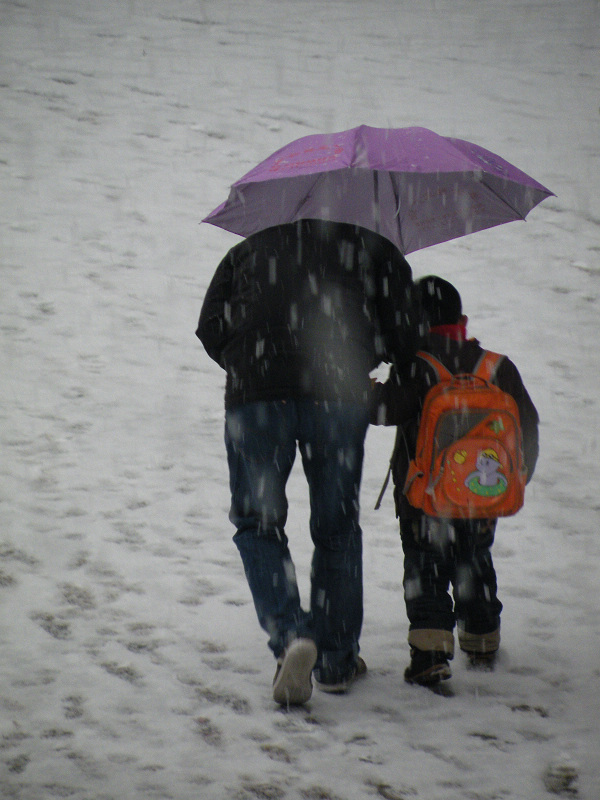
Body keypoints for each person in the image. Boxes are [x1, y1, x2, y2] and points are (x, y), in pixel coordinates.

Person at [197, 219, 423, 705]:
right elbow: (406, 336)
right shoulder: (373, 246)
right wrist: (362, 353)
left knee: (257, 524)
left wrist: (252, 366)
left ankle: (292, 636)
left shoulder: (251, 245)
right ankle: (338, 662)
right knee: (337, 526)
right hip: (338, 395)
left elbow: (209, 327)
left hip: (256, 395)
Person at [371, 275, 539, 686]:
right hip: (484, 493)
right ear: (461, 320)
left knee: (425, 565)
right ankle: (482, 637)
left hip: (424, 497)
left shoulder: (418, 367)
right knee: (475, 557)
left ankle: (429, 653)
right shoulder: (497, 367)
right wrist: (512, 480)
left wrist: (366, 383)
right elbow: (528, 429)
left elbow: (381, 411)